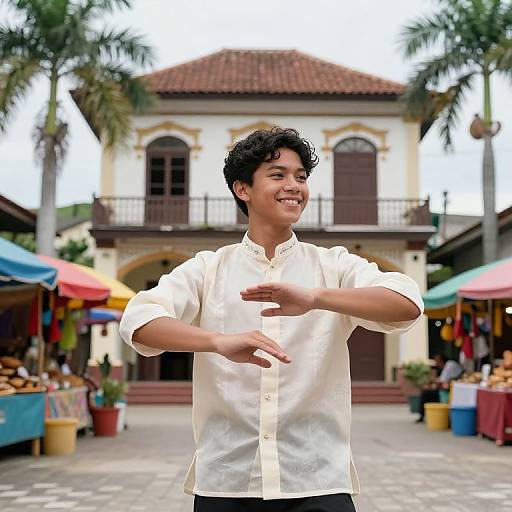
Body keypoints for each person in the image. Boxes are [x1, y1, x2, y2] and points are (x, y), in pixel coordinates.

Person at [119, 127, 424, 512]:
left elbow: (407, 302)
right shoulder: (208, 269)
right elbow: (139, 319)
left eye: (301, 177)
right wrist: (216, 341)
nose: (294, 186)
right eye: (278, 175)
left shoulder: (332, 265)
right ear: (242, 189)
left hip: (318, 479)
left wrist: (316, 298)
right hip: (227, 479)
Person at [415, 353, 463, 423]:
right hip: (447, 387)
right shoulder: (446, 366)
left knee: (426, 393)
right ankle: (425, 414)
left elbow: (442, 380)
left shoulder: (450, 364)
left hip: (450, 389)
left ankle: (423, 416)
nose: (436, 363)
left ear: (441, 359)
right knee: (427, 392)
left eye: (437, 361)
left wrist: (432, 381)